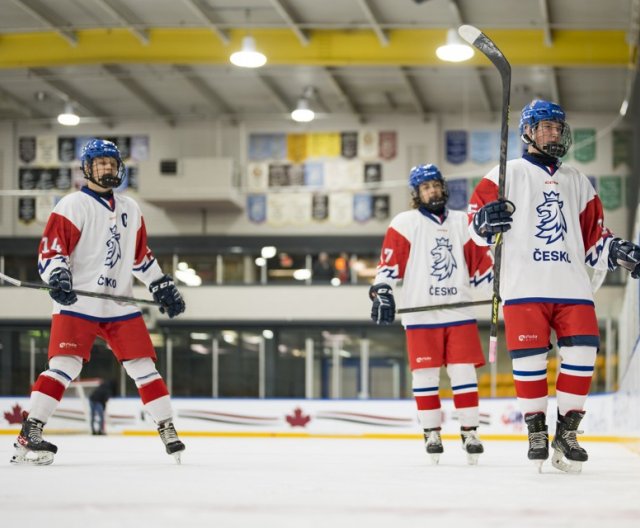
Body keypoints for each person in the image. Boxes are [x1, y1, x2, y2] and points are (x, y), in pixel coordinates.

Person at [467, 99, 640, 473]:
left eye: (557, 127)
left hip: (573, 286)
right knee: (529, 363)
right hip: (524, 286)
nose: (553, 133)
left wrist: (618, 251)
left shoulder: (578, 181)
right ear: (527, 132)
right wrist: (484, 222)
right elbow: (474, 228)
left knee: (582, 357)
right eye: (545, 126)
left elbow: (595, 238)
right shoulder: (503, 174)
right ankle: (536, 431)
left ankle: (567, 431)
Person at [10, 138, 187, 466]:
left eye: (111, 162)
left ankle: (167, 427)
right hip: (78, 301)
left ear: (119, 167)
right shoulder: (72, 205)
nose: (106, 167)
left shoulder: (130, 208)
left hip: (119, 303)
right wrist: (58, 276)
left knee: (144, 366)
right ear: (86, 169)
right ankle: (30, 429)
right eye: (99, 163)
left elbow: (140, 256)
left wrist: (161, 284)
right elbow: (52, 250)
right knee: (66, 365)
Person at [369, 164, 494, 465]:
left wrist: (503, 281)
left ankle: (469, 432)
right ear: (417, 194)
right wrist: (381, 291)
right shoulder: (404, 223)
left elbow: (484, 269)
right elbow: (387, 268)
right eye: (425, 187)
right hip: (420, 317)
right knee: (425, 377)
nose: (432, 191)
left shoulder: (465, 222)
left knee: (464, 374)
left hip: (459, 311)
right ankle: (431, 432)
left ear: (443, 187)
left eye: (436, 185)